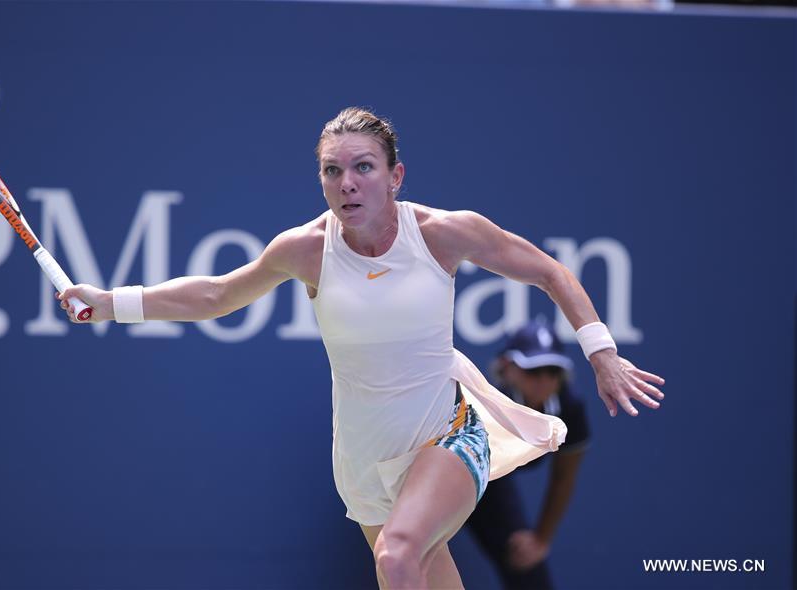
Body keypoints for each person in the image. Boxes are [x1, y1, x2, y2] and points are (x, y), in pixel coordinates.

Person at [57, 107, 665, 589]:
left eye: (364, 167)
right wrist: (110, 302)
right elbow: (217, 295)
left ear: (396, 176)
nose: (346, 183)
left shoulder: (444, 234)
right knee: (417, 570)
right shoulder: (304, 249)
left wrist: (602, 352)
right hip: (361, 462)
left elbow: (550, 272)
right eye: (332, 171)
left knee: (397, 556)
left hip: (450, 435)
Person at [466, 320, 590, 590]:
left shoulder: (570, 407)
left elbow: (563, 477)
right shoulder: (485, 403)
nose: (544, 380)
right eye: (533, 370)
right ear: (506, 367)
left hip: (492, 482)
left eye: (553, 371)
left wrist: (541, 539)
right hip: (454, 475)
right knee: (416, 554)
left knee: (526, 563)